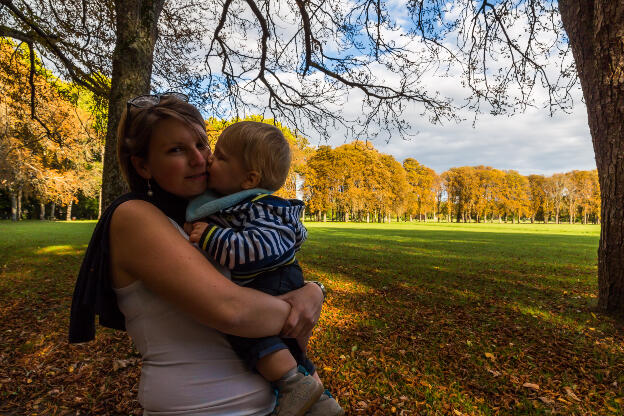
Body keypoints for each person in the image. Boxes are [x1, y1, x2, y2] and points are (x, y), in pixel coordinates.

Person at [69, 93, 326, 416]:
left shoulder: (217, 216)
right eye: (177, 149)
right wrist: (305, 303)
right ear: (142, 165)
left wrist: (313, 290)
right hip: (200, 407)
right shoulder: (135, 217)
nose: (199, 159)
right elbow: (231, 309)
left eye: (203, 145)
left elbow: (266, 276)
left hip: (273, 404)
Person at [185, 121, 344, 416]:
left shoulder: (262, 208)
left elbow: (255, 249)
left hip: (272, 279)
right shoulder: (239, 203)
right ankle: (320, 402)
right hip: (270, 281)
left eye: (220, 157)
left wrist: (210, 236)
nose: (208, 160)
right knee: (285, 343)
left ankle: (292, 382)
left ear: (249, 179)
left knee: (248, 331)